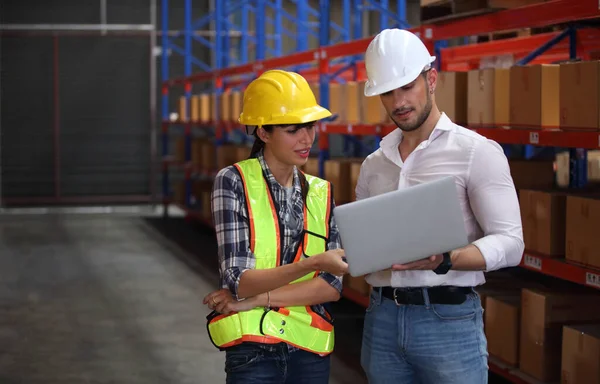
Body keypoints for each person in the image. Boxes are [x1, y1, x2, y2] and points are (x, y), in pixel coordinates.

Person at [356, 28, 524, 384]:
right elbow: (362, 242)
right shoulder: (374, 164)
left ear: (431, 79)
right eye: (388, 92)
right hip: (382, 317)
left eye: (407, 87)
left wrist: (448, 258)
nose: (399, 101)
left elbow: (511, 243)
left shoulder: (476, 152)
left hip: (447, 322)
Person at [202, 69, 348, 384]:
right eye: (293, 129)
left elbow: (330, 287)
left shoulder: (322, 192)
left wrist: (255, 299)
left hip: (310, 352)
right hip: (254, 352)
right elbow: (240, 280)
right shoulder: (234, 182)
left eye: (310, 126)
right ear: (263, 133)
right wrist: (316, 262)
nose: (306, 138)